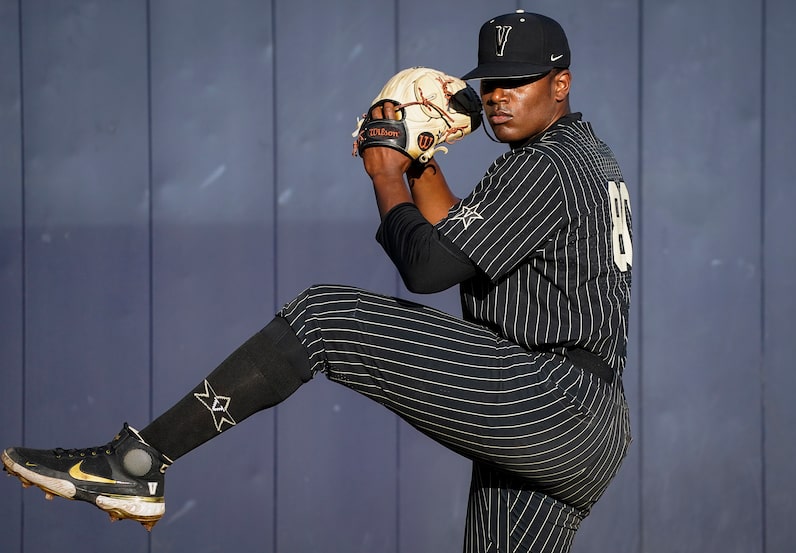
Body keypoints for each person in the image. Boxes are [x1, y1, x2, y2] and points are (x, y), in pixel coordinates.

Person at [2, 10, 632, 552]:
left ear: (561, 83)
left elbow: (426, 268)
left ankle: (136, 464)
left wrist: (386, 174)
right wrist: (417, 160)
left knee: (324, 317)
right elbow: (449, 247)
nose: (496, 96)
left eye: (516, 82)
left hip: (552, 398)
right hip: (574, 423)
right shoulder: (573, 159)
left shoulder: (549, 163)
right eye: (489, 83)